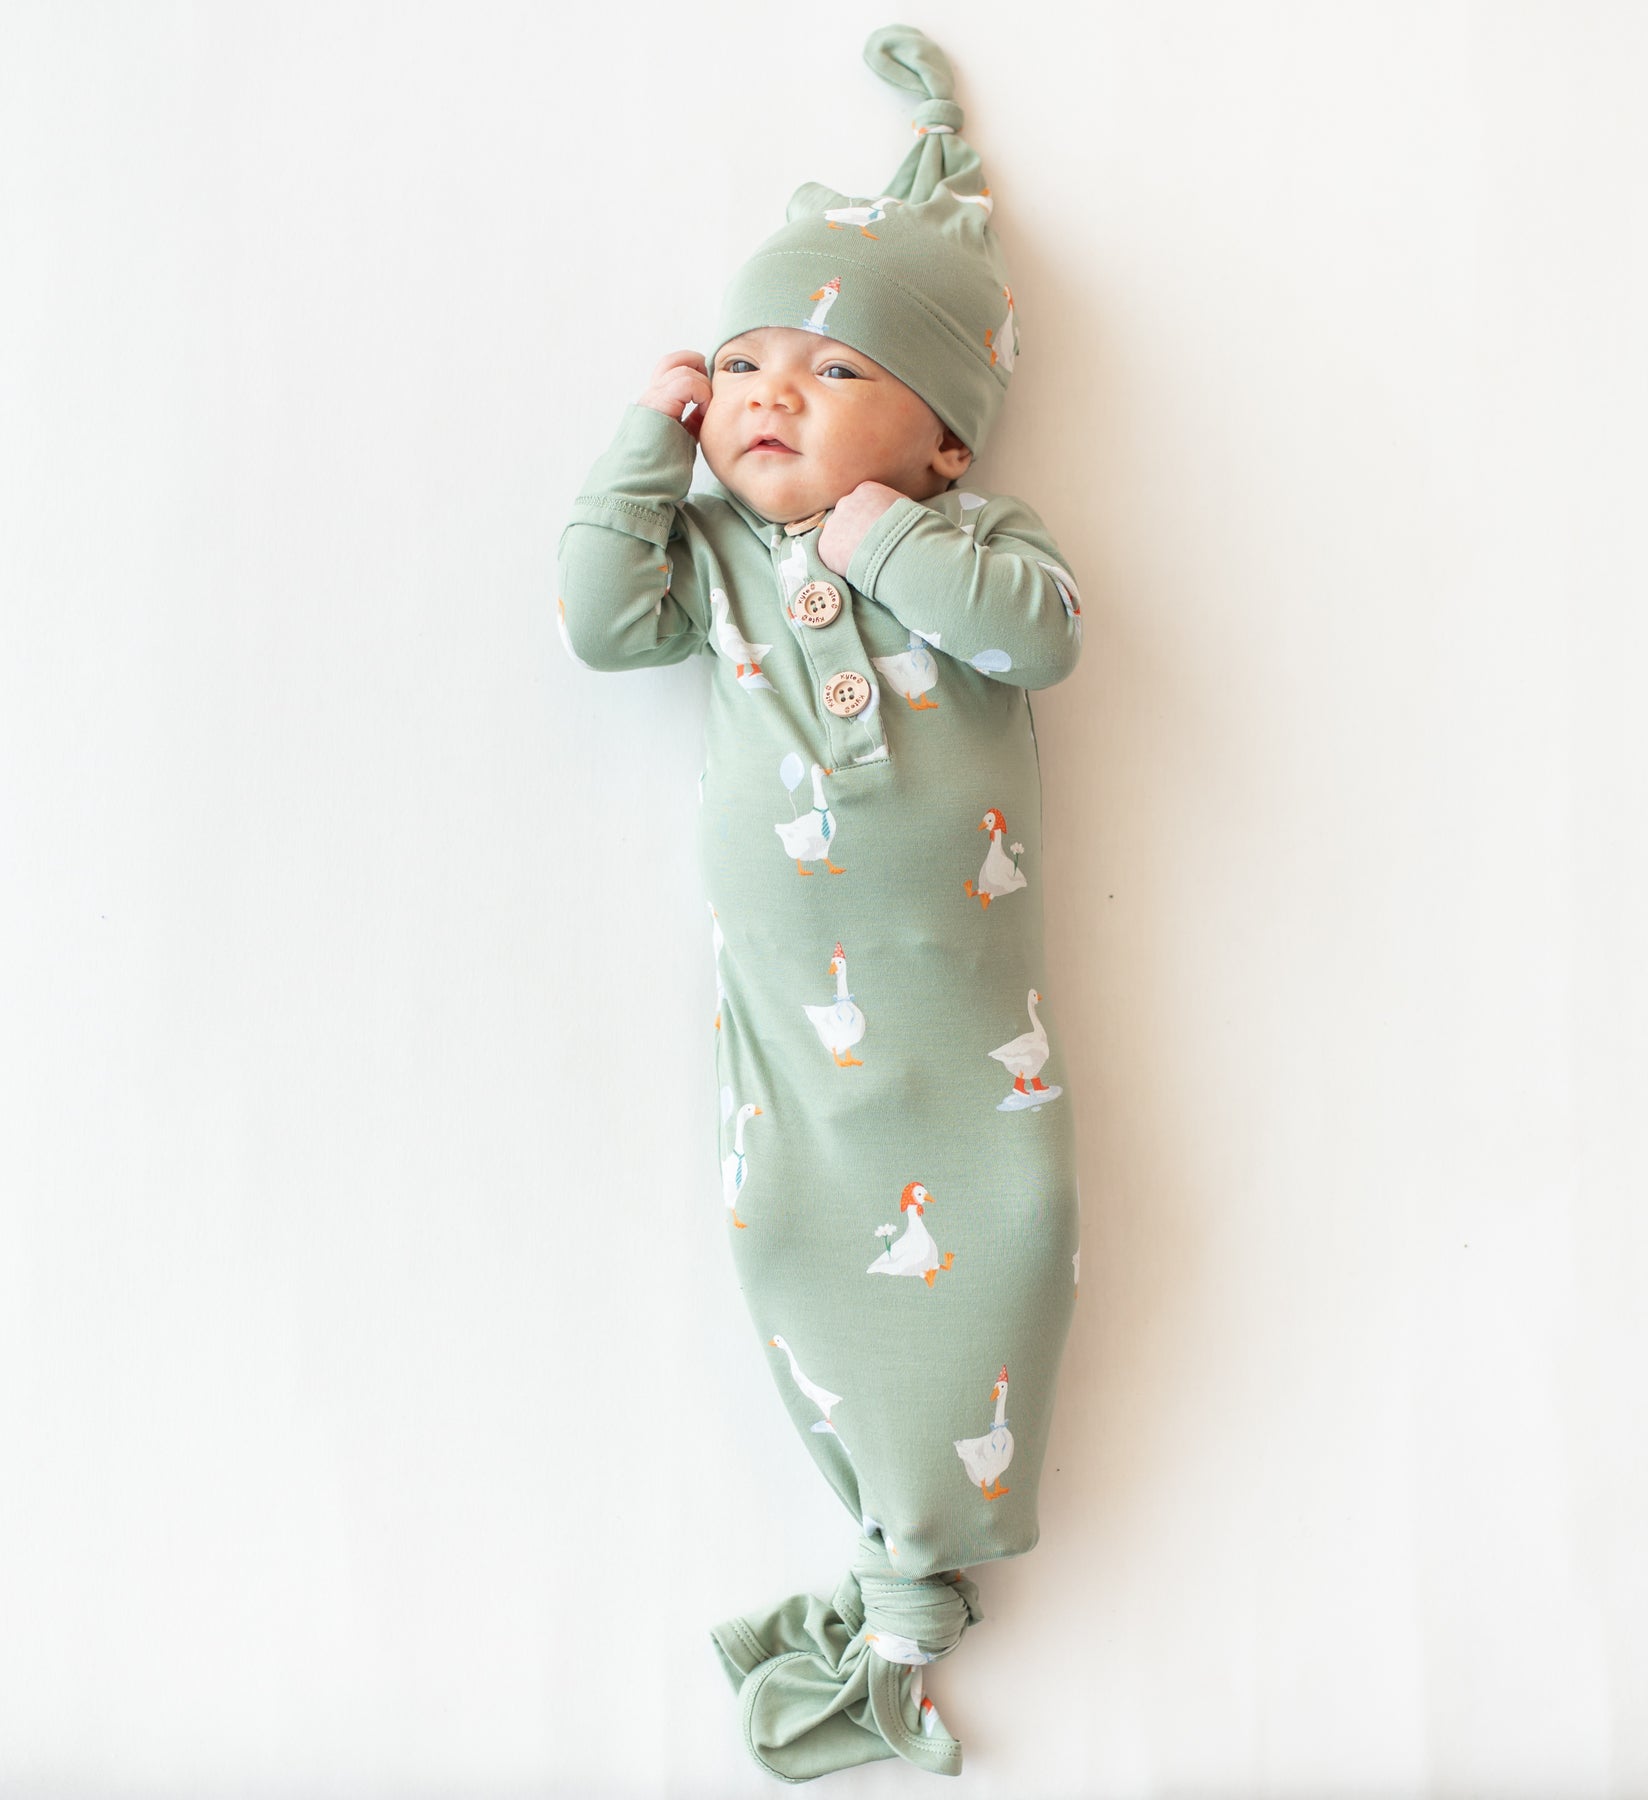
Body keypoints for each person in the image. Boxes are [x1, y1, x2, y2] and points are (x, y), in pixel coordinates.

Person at [556, 23, 1085, 1783]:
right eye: (746, 358)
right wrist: (649, 438)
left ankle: (921, 1555)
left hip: (970, 1030)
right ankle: (883, 1560)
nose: (769, 388)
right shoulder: (709, 566)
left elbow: (1047, 644)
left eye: (834, 365)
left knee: (1004, 1231)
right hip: (795, 1029)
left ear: (942, 437)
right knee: (787, 1223)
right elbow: (595, 615)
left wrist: (879, 544)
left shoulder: (975, 552)